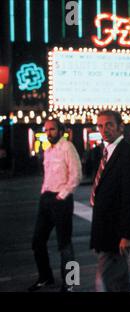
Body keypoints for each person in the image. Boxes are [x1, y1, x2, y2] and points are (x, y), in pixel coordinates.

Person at [90, 110, 130, 292]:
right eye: (100, 125)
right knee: (120, 279)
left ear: (120, 127)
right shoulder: (107, 152)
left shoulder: (128, 153)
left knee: (103, 279)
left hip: (116, 231)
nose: (104, 129)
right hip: (106, 227)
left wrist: (127, 234)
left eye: (109, 124)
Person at [28, 119, 82, 292]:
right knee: (37, 241)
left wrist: (62, 195)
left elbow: (76, 175)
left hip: (62, 201)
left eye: (52, 129)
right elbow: (48, 176)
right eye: (46, 130)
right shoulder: (48, 150)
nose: (48, 132)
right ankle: (45, 277)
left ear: (61, 130)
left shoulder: (68, 147)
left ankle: (71, 281)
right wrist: (44, 192)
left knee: (65, 244)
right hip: (46, 199)